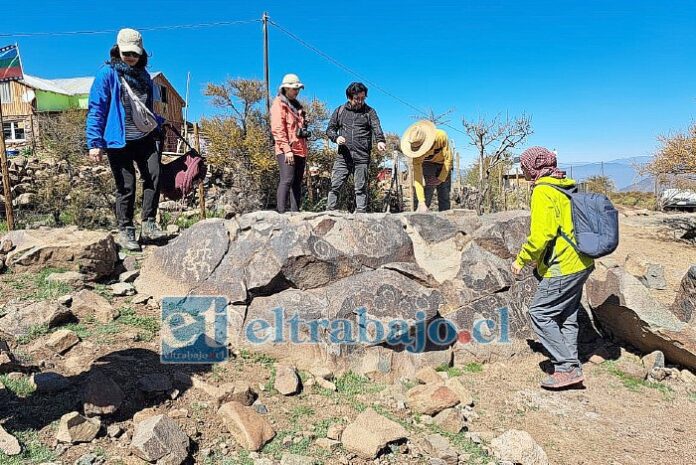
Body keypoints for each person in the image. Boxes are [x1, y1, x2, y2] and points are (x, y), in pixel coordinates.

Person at [511, 146, 595, 390]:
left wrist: (522, 259)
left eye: (524, 166)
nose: (522, 169)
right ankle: (569, 368)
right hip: (583, 261)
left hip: (564, 265)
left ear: (532, 167)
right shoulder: (566, 184)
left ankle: (567, 366)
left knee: (540, 313)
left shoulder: (543, 191)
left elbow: (541, 234)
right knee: (567, 315)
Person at [86, 28, 165, 251]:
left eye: (135, 53)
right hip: (118, 140)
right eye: (126, 52)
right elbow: (97, 109)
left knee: (154, 175)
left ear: (142, 54)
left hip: (143, 137)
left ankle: (149, 223)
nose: (131, 57)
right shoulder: (107, 74)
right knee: (126, 185)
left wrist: (158, 121)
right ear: (117, 50)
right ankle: (126, 229)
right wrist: (95, 142)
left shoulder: (146, 78)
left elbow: (144, 110)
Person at [325, 82, 387, 213]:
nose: (360, 101)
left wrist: (380, 141)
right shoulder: (340, 111)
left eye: (363, 98)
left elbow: (377, 127)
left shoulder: (370, 112)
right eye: (357, 98)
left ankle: (361, 215)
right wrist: (336, 138)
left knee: (361, 188)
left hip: (362, 157)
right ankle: (329, 212)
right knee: (335, 185)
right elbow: (330, 129)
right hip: (343, 156)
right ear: (349, 97)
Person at [270, 74, 309, 213]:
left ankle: (295, 213)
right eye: (294, 88)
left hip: (300, 149)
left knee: (297, 183)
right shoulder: (278, 105)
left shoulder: (297, 106)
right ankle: (280, 213)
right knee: (287, 180)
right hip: (287, 150)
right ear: (286, 88)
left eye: (298, 88)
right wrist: (287, 150)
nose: (297, 91)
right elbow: (278, 129)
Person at [400, 120, 453, 212]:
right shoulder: (416, 155)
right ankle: (420, 214)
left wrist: (441, 178)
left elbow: (448, 159)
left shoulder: (441, 136)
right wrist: (421, 202)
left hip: (444, 164)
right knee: (427, 191)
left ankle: (445, 220)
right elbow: (418, 178)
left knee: (444, 194)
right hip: (428, 164)